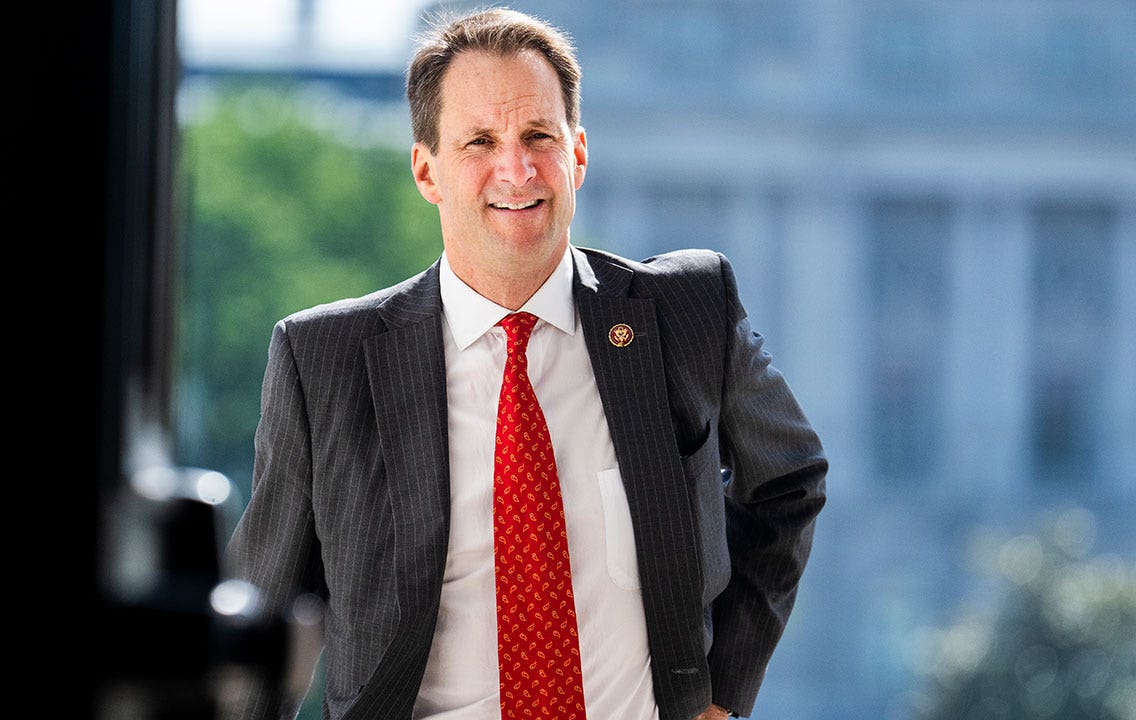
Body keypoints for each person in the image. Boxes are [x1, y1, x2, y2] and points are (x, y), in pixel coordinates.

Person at [227, 9, 827, 720]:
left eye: (538, 136)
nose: (516, 169)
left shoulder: (686, 311)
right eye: (480, 140)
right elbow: (257, 626)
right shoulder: (324, 361)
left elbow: (789, 480)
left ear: (577, 154)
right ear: (428, 170)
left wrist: (722, 694)